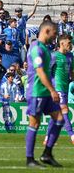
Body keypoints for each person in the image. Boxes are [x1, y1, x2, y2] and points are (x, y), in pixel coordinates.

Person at [25, 20, 64, 168]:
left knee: (59, 119)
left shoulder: (45, 48)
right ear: (47, 31)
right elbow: (40, 71)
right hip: (36, 92)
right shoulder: (36, 48)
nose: (55, 37)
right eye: (54, 33)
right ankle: (29, 159)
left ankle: (47, 154)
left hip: (45, 92)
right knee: (34, 123)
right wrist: (52, 90)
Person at [44, 34, 74, 145]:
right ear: (62, 43)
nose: (71, 45)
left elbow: (71, 72)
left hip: (65, 88)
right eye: (69, 43)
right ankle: (72, 135)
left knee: (56, 113)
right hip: (57, 88)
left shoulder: (70, 56)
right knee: (64, 110)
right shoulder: (54, 56)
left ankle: (47, 137)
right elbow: (47, 72)